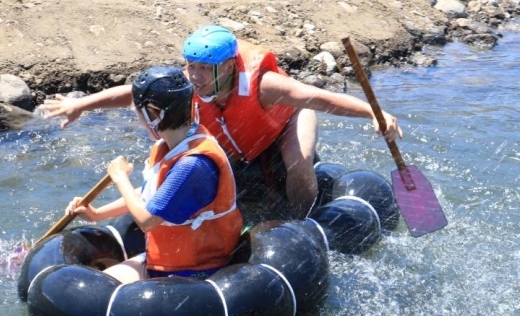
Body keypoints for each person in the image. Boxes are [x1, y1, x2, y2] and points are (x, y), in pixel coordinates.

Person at [44, 25, 403, 220]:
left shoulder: (263, 84)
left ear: (229, 66)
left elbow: (316, 98)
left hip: (286, 123)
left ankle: (303, 223)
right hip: (240, 139)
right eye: (191, 66)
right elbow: (136, 92)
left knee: (297, 164)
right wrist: (82, 105)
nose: (195, 76)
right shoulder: (189, 81)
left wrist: (374, 113)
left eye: (204, 69)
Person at [65, 66, 243, 284]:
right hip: (167, 261)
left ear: (155, 114)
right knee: (91, 288)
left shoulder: (193, 165)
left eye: (138, 113)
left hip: (198, 270)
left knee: (95, 294)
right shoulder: (175, 143)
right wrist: (97, 214)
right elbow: (152, 195)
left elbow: (147, 221)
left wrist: (120, 178)